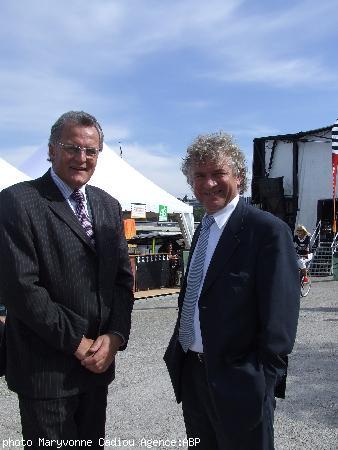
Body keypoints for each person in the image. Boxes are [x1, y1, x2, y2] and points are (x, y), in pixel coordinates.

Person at [0, 111, 134, 448]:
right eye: (72, 148)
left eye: (91, 151)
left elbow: (121, 279)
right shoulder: (17, 202)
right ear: (51, 150)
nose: (82, 158)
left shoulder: (107, 205)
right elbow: (21, 289)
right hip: (45, 374)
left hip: (96, 369)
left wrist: (115, 336)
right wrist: (78, 342)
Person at [164, 132, 300, 450]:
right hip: (194, 379)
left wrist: (260, 382)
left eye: (218, 174)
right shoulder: (203, 229)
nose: (209, 184)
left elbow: (280, 323)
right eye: (200, 176)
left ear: (239, 177)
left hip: (241, 384)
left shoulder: (266, 231)